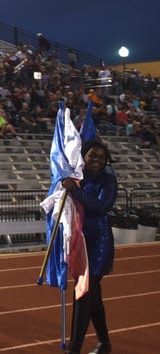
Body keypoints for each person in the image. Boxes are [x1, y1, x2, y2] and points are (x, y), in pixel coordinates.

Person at [62, 141, 116, 354]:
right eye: (93, 155)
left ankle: (74, 349)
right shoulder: (78, 178)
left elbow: (102, 206)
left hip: (99, 243)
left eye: (101, 157)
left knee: (83, 292)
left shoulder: (108, 180)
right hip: (79, 239)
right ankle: (104, 343)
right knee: (92, 296)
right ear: (84, 156)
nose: (97, 160)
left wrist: (75, 191)